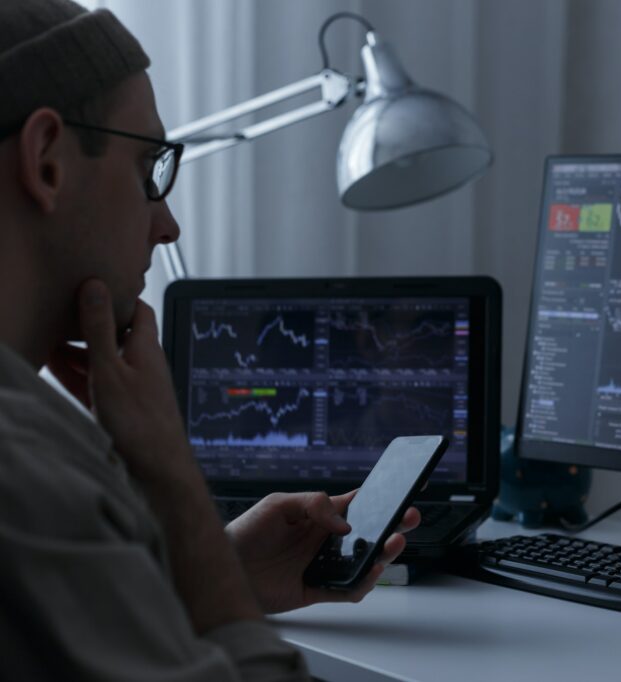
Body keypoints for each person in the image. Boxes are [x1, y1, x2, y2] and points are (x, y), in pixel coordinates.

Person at [0, 1, 419, 679]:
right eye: (150, 171)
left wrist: (221, 570)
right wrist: (171, 476)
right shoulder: (26, 476)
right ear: (47, 162)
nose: (167, 226)